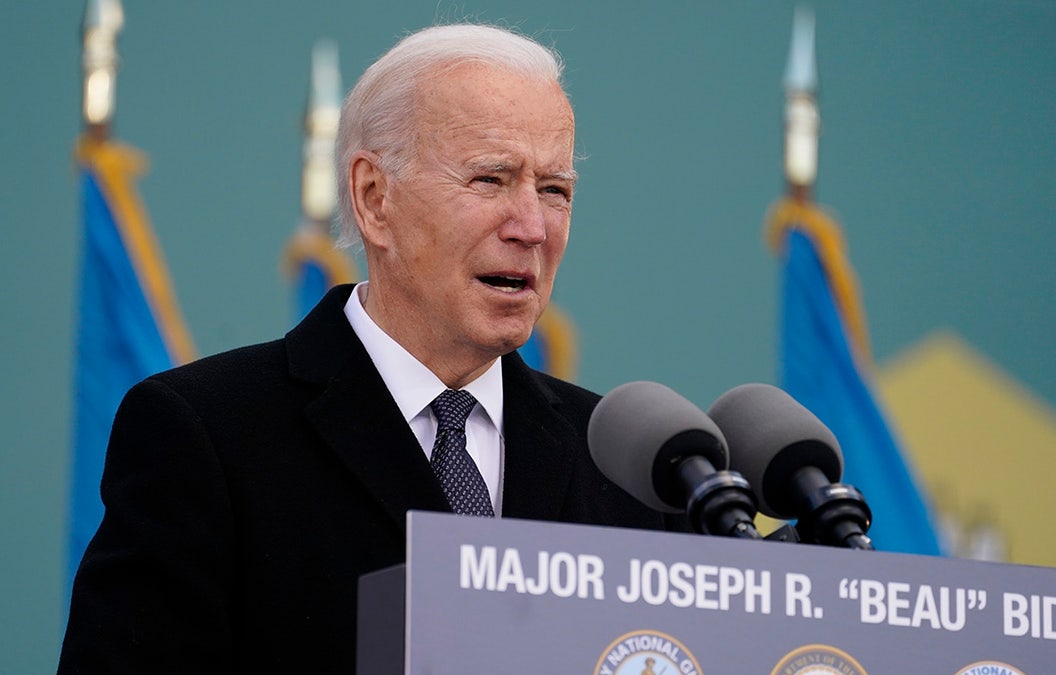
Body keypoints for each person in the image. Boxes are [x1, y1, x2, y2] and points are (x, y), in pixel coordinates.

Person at [58, 22, 685, 673]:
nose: (531, 226)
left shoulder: (627, 465)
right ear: (373, 197)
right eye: (491, 179)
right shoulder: (204, 436)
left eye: (554, 189)